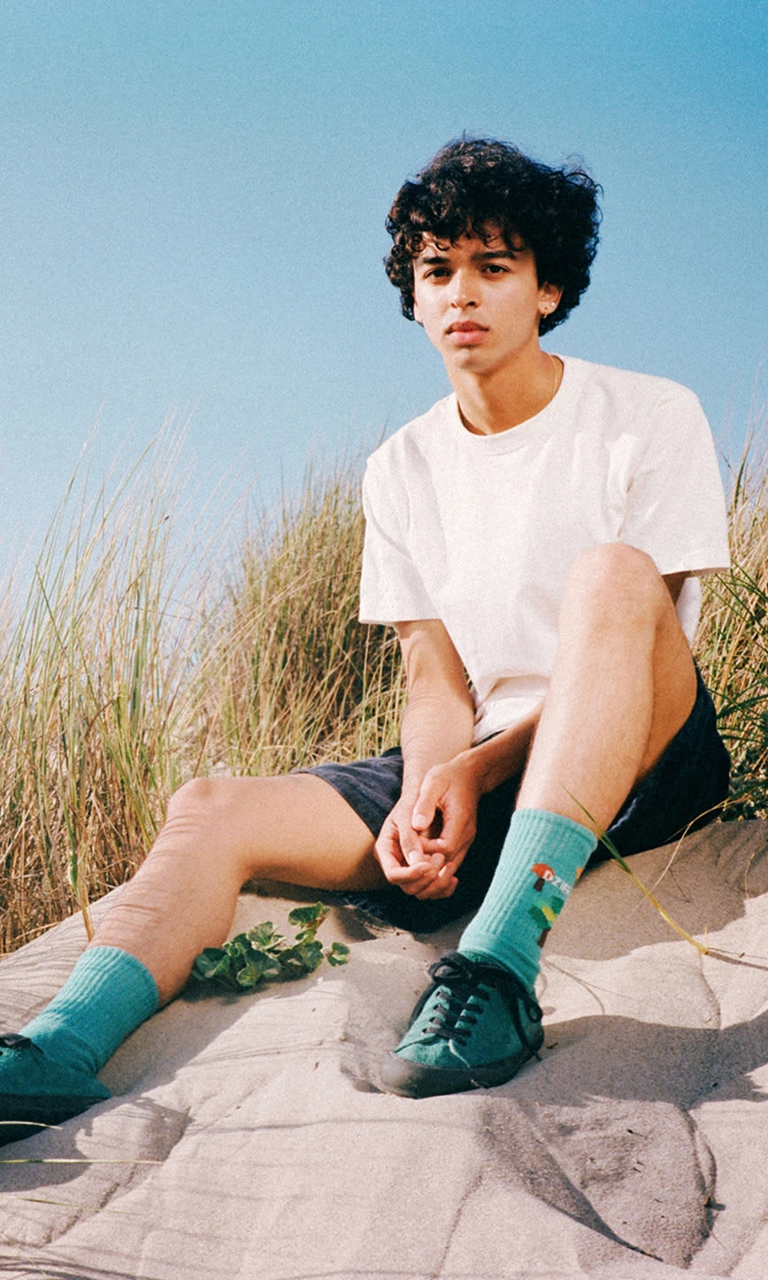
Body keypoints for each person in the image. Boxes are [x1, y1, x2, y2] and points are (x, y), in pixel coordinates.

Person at [0, 137, 730, 1138]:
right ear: (414, 295)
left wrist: (473, 775)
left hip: (644, 739)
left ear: (549, 289)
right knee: (210, 805)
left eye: (494, 265)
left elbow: (643, 625)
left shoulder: (647, 416)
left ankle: (498, 970)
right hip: (477, 758)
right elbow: (432, 672)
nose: (461, 292)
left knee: (610, 573)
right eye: (438, 269)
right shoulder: (400, 468)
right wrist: (434, 786)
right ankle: (58, 1047)